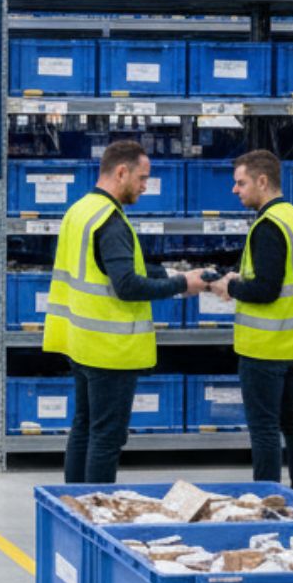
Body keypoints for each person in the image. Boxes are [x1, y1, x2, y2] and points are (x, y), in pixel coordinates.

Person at [45, 140, 206, 484]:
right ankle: (97, 515)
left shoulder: (81, 210)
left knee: (85, 428)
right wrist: (180, 286)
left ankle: (74, 508)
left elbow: (118, 266)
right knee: (107, 437)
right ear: (122, 172)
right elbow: (128, 285)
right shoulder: (111, 221)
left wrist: (174, 274)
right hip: (111, 349)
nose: (145, 186)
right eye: (142, 178)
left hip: (81, 342)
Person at [208, 150, 293, 497]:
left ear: (263, 181)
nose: (235, 190)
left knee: (264, 429)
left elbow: (265, 290)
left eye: (241, 182)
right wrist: (240, 276)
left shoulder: (268, 226)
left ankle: (268, 501)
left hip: (267, 347)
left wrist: (228, 285)